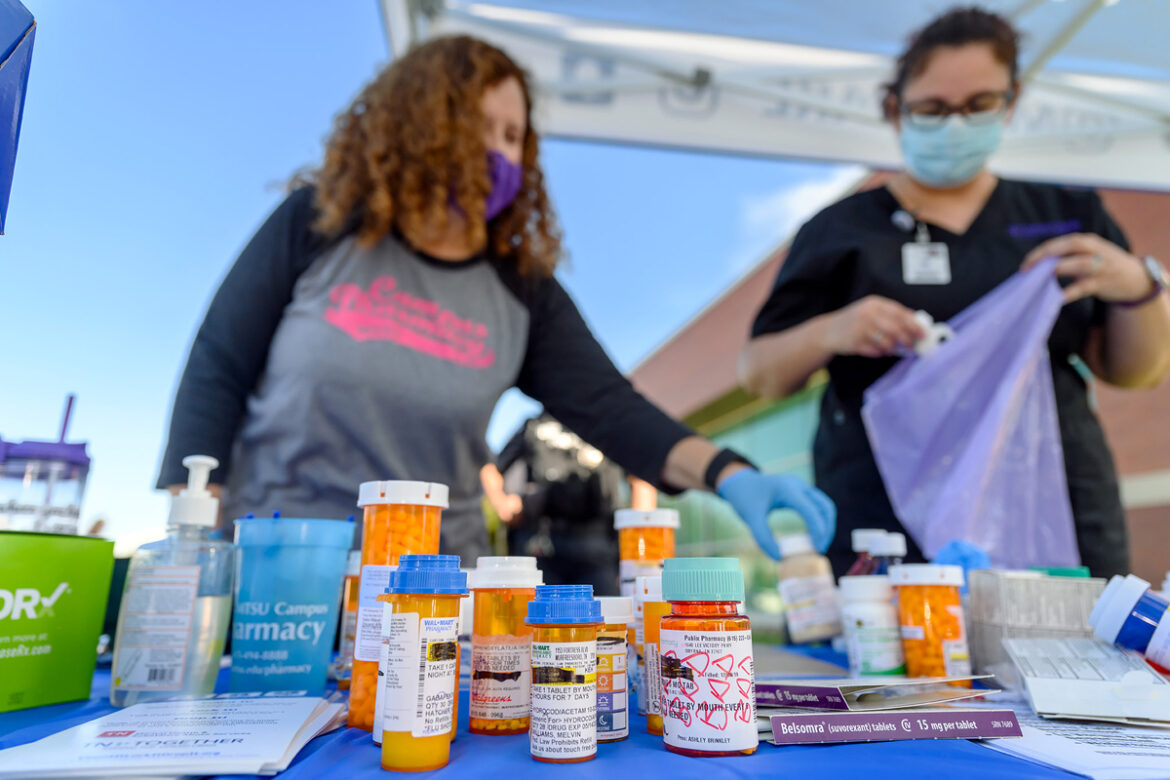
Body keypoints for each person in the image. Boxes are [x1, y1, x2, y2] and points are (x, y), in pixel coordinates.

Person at [157, 35, 835, 563]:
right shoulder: (320, 224)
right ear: (415, 125)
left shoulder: (523, 291)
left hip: (429, 598)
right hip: (283, 575)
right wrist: (193, 539)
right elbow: (218, 365)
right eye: (477, 127)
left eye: (513, 137)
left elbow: (611, 408)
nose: (497, 153)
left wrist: (730, 472)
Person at [739, 7, 1170, 578]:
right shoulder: (841, 230)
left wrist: (1140, 288)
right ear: (896, 109)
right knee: (900, 660)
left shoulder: (1066, 213)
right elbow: (760, 373)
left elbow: (1135, 372)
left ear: (1010, 103)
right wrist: (833, 329)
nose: (956, 125)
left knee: (1066, 659)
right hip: (886, 514)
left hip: (1048, 504)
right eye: (934, 109)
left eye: (979, 105)